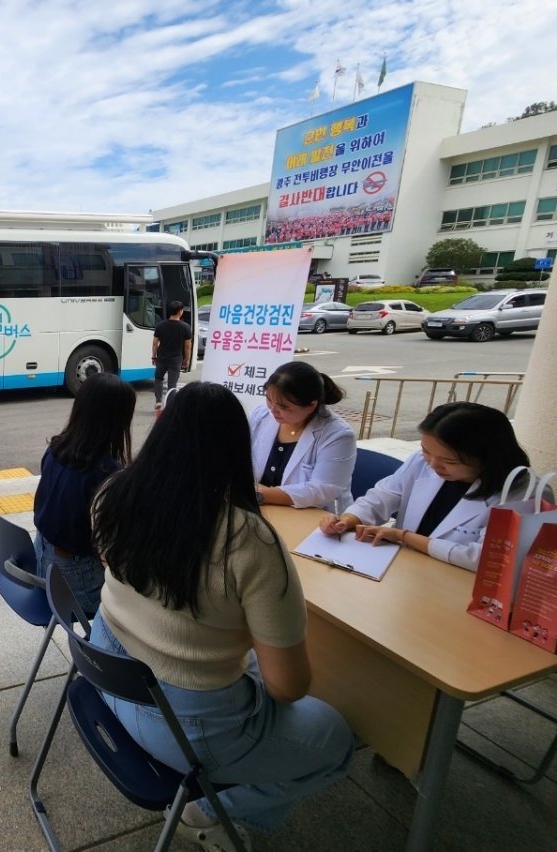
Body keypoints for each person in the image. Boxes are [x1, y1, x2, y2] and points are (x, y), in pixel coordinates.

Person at [90, 382, 353, 850]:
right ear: (237, 446)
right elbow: (288, 688)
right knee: (336, 739)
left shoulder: (113, 493)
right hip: (183, 728)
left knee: (250, 670)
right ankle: (209, 813)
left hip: (111, 678)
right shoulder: (250, 540)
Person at [318, 401, 530, 571]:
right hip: (399, 568)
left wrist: (404, 537)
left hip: (455, 584)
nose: (433, 464)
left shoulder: (523, 494)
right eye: (426, 451)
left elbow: (485, 559)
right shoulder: (422, 462)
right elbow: (382, 496)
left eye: (450, 461)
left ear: (487, 458)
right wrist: (347, 520)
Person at [33, 372, 136, 615]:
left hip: (42, 562)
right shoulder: (104, 472)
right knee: (140, 608)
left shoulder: (57, 448)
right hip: (73, 582)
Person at [250, 361, 356, 510]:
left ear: (311, 405)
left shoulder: (338, 435)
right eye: (269, 399)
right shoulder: (261, 416)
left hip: (315, 517)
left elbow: (322, 490)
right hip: (265, 508)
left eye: (283, 406)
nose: (273, 409)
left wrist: (259, 494)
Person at [151, 301, 192, 410]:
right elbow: (187, 346)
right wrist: (187, 360)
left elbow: (155, 343)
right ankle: (169, 407)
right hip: (176, 359)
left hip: (161, 358)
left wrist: (153, 356)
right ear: (179, 312)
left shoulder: (160, 325)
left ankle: (158, 401)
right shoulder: (185, 327)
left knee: (158, 379)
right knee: (172, 384)